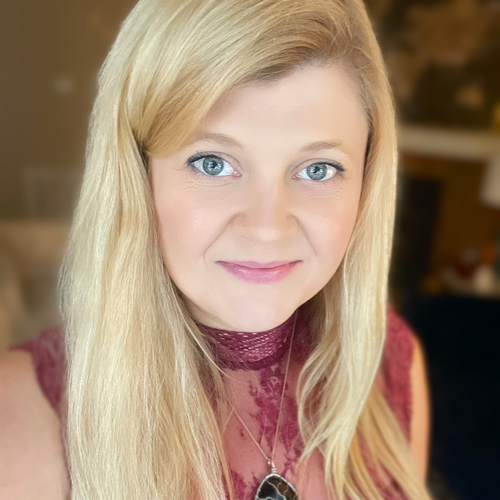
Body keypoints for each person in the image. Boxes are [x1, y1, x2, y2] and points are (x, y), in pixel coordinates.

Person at [0, 0, 431, 498]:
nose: (267, 228)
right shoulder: (23, 420)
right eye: (213, 163)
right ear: (137, 176)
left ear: (367, 181)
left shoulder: (390, 370)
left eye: (318, 170)